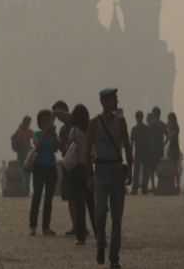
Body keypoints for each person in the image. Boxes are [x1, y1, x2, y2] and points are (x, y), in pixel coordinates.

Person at [85, 88, 132, 269]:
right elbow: (88, 151)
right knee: (101, 211)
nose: (117, 101)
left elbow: (127, 146)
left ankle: (114, 257)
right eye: (114, 99)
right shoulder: (94, 123)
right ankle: (101, 243)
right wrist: (89, 176)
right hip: (101, 170)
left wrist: (130, 170)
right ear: (105, 102)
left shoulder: (121, 122)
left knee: (117, 216)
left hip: (116, 169)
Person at [28, 108, 58, 236]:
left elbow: (56, 148)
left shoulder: (52, 135)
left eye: (48, 120)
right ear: (40, 122)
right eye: (44, 120)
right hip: (39, 167)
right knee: (37, 196)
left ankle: (46, 226)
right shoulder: (37, 134)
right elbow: (37, 146)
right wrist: (46, 133)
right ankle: (33, 225)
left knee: (49, 199)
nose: (46, 122)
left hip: (51, 167)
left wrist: (54, 135)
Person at [68, 103, 93, 245]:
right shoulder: (91, 130)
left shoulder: (73, 131)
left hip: (76, 169)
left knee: (79, 204)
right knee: (91, 202)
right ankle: (98, 233)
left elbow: (69, 149)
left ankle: (81, 236)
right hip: (88, 167)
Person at [53, 101, 77, 235]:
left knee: (79, 197)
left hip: (78, 164)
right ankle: (75, 224)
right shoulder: (62, 129)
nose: (59, 118)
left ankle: (80, 224)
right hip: (68, 164)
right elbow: (61, 149)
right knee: (70, 197)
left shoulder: (76, 122)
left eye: (60, 113)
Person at [129, 110, 150, 195]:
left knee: (136, 171)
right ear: (142, 117)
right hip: (145, 151)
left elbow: (132, 143)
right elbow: (149, 141)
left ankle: (135, 189)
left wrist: (130, 154)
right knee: (145, 171)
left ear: (136, 118)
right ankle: (144, 189)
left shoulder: (134, 129)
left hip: (138, 152)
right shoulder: (146, 128)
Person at [147, 107, 168, 191]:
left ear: (154, 114)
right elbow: (167, 135)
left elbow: (148, 136)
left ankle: (153, 186)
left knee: (151, 168)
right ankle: (159, 184)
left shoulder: (151, 124)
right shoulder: (163, 124)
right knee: (159, 167)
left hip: (153, 148)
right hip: (160, 147)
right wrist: (164, 143)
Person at [11, 116, 33, 192]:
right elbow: (33, 141)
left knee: (22, 170)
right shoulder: (28, 131)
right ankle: (26, 189)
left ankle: (24, 188)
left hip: (20, 152)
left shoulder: (18, 130)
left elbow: (12, 138)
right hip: (26, 151)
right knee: (27, 170)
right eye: (29, 122)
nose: (30, 123)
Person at [167, 112, 182, 191]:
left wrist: (168, 128)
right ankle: (174, 184)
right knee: (173, 168)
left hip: (175, 149)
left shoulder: (176, 128)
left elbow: (170, 136)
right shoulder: (174, 127)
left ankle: (177, 185)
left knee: (175, 168)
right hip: (172, 148)